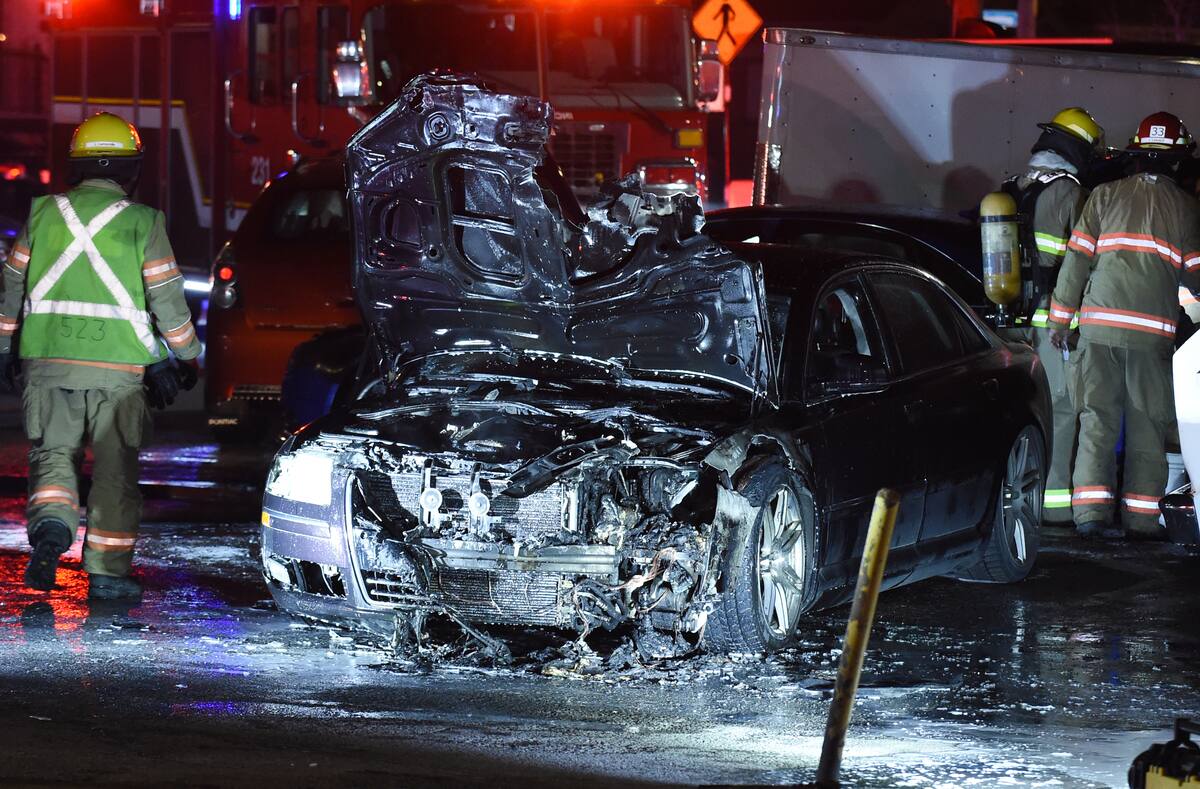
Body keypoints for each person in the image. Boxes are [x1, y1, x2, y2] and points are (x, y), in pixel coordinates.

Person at [0, 112, 201, 598]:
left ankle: (51, 527)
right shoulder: (144, 222)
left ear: (75, 167)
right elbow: (166, 300)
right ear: (133, 169)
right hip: (119, 374)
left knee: (53, 457)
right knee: (114, 470)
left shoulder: (42, 213)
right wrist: (186, 355)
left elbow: (10, 285)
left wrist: (5, 346)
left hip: (48, 362)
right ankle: (108, 576)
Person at [1048, 111, 1200, 539]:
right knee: (1148, 426)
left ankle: (1091, 518)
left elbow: (1075, 263)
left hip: (1097, 332)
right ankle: (1140, 520)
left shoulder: (1102, 196)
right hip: (1151, 337)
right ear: (1177, 160)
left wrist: (1061, 321)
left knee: (1097, 421)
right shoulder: (1188, 208)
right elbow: (1195, 273)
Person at [1000, 107, 1104, 524]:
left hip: (1007, 324)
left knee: (1015, 412)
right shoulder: (1070, 193)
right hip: (1051, 327)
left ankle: (1012, 501)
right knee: (1059, 411)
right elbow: (1082, 263)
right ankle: (1054, 508)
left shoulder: (1010, 186)